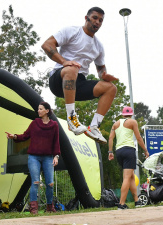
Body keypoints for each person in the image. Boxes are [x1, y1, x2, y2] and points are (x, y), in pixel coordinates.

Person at [41, 6, 117, 144]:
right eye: (95, 18)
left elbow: (100, 69)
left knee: (111, 88)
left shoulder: (98, 46)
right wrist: (64, 62)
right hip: (59, 78)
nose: (97, 22)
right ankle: (71, 118)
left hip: (78, 83)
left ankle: (94, 126)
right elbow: (47, 44)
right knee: (72, 68)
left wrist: (104, 76)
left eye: (101, 20)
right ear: (86, 18)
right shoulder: (72, 31)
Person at [5, 102, 60, 214]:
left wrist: (56, 156)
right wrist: (14, 136)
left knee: (50, 183)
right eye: (38, 109)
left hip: (48, 158)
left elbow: (56, 142)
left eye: (40, 109)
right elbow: (25, 136)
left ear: (47, 111)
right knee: (35, 182)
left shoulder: (54, 125)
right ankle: (33, 208)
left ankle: (50, 207)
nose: (38, 111)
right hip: (34, 157)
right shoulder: (35, 123)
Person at [108, 106, 149, 210]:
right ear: (131, 114)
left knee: (130, 176)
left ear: (122, 114)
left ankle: (137, 201)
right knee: (126, 177)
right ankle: (121, 204)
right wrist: (145, 150)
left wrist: (110, 152)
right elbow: (139, 138)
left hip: (119, 151)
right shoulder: (132, 122)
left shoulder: (115, 124)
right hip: (129, 150)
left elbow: (110, 138)